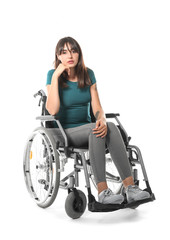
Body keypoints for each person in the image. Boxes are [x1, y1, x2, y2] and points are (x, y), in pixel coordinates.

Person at [46, 36, 150, 204]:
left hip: (89, 128)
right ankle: (102, 192)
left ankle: (130, 188)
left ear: (79, 54)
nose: (69, 56)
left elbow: (97, 108)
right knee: (95, 129)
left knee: (108, 125)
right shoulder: (53, 75)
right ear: (58, 56)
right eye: (64, 52)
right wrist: (56, 76)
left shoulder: (88, 74)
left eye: (73, 51)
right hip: (64, 132)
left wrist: (100, 118)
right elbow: (53, 109)